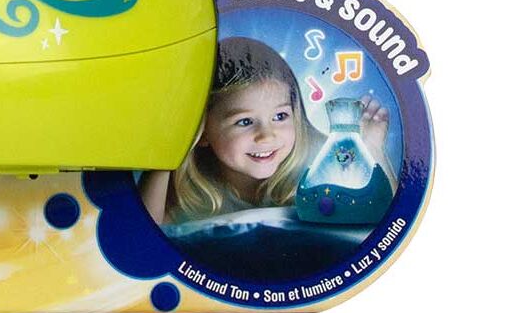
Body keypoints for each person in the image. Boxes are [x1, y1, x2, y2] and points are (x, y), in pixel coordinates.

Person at [140, 37, 389, 226]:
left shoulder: (318, 167)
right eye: (244, 121)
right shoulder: (188, 187)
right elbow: (143, 235)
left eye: (280, 116)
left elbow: (385, 217)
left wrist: (371, 150)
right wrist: (172, 147)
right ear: (202, 131)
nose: (267, 136)